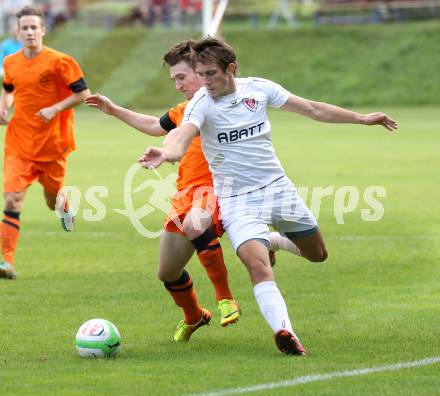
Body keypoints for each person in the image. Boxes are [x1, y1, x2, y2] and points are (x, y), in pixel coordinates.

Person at [139, 37, 398, 355]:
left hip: (278, 190)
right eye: (200, 75)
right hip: (236, 201)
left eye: (210, 74)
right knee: (258, 267)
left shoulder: (258, 89)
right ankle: (284, 331)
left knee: (318, 254)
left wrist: (360, 118)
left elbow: (313, 109)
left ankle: (273, 240)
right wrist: (166, 154)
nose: (203, 82)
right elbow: (182, 138)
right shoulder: (200, 104)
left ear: (230, 69)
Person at [85, 40, 241, 342]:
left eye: (182, 77)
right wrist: (113, 110)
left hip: (218, 191)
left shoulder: (225, 104)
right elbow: (158, 126)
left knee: (198, 223)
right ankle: (195, 316)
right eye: (174, 80)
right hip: (186, 193)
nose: (177, 85)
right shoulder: (184, 110)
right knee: (167, 272)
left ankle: (226, 298)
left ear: (200, 71)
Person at [0, 6, 91, 280]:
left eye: (33, 27)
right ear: (18, 31)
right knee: (13, 199)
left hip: (53, 145)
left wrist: (54, 108)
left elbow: (83, 94)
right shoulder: (11, 62)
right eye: (24, 28)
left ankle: (64, 206)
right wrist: (4, 106)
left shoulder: (60, 61)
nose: (29, 32)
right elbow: (9, 90)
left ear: (43, 30)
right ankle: (6, 261)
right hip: (19, 143)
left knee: (53, 201)